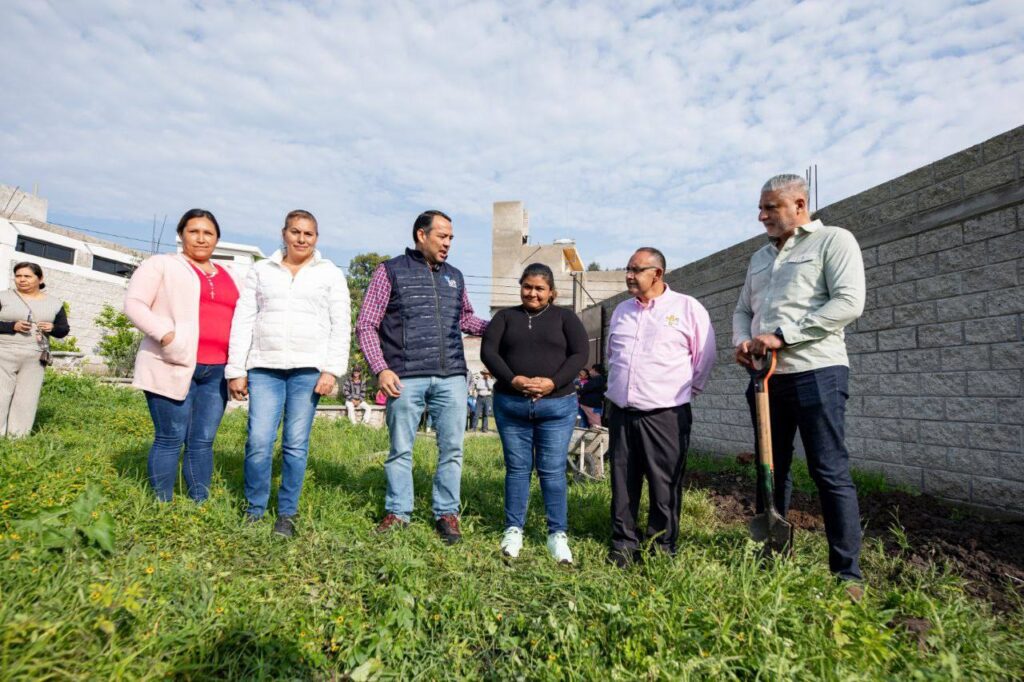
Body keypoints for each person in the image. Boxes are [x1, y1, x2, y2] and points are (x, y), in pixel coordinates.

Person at [733, 174, 866, 587]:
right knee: (771, 469)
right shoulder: (758, 258)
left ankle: (847, 573)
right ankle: (771, 555)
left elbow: (848, 302)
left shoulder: (834, 241)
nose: (762, 216)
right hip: (766, 380)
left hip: (817, 372)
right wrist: (742, 341)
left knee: (828, 470)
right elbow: (741, 309)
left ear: (800, 205)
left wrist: (784, 336)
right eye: (761, 207)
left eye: (771, 208)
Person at [356, 209, 488, 544]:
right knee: (401, 449)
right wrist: (380, 367)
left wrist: (504, 326)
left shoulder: (455, 277)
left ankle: (446, 513)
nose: (448, 244)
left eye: (451, 238)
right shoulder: (390, 272)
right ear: (421, 234)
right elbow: (367, 324)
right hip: (405, 376)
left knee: (452, 449)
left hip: (452, 377)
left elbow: (468, 319)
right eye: (442, 236)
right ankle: (398, 512)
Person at [227, 209, 350, 537]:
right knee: (258, 441)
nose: (301, 239)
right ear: (284, 233)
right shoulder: (261, 270)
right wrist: (236, 369)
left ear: (316, 238)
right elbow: (244, 318)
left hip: (307, 371)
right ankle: (254, 509)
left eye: (308, 234)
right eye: (295, 232)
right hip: (264, 367)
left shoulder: (329, 274)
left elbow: (341, 325)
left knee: (296, 443)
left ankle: (286, 514)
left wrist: (332, 370)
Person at [606, 247, 715, 566]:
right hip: (622, 412)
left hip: (666, 413)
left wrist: (683, 392)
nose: (629, 275)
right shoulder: (621, 311)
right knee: (623, 481)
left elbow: (705, 356)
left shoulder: (686, 308)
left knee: (663, 483)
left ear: (658, 273)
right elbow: (614, 355)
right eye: (627, 268)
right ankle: (624, 543)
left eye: (636, 269)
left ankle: (660, 547)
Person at [126, 209, 242, 502]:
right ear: (181, 234)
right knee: (170, 437)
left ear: (217, 238)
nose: (201, 238)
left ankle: (199, 503)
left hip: (216, 371)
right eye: (194, 231)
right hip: (172, 363)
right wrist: (167, 336)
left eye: (208, 233)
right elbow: (135, 304)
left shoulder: (231, 275)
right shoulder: (162, 265)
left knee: (202, 441)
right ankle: (162, 504)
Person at [481, 263, 588, 563]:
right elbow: (489, 352)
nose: (533, 293)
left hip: (556, 406)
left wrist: (553, 382)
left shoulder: (566, 318)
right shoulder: (504, 317)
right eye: (527, 286)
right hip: (512, 405)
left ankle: (557, 534)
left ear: (552, 292)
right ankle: (514, 529)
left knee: (552, 470)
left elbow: (580, 354)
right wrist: (512, 379)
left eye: (540, 288)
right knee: (517, 469)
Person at [0, 262, 70, 437]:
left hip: (35, 356)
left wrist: (52, 328)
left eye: (27, 276)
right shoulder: (3, 297)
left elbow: (63, 330)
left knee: (27, 398)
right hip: (3, 351)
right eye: (18, 276)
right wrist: (11, 326)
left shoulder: (55, 303)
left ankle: (18, 437)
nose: (21, 280)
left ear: (40, 279)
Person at [578, 364, 607, 428]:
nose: (590, 371)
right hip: (590, 405)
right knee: (585, 424)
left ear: (595, 370)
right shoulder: (598, 379)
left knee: (596, 426)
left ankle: (598, 438)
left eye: (591, 369)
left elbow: (586, 388)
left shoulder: (598, 379)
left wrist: (579, 391)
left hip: (591, 405)